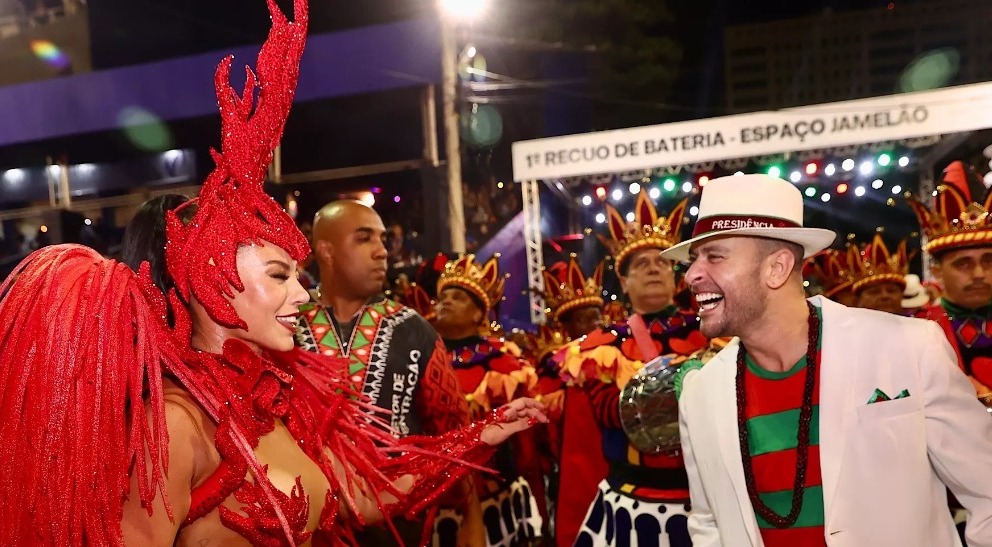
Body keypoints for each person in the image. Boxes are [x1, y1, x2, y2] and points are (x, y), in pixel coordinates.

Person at [0, 2, 548, 544]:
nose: (303, 292)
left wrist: (478, 436)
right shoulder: (174, 424)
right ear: (215, 282)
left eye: (299, 274)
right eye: (280, 274)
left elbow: (361, 494)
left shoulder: (280, 399)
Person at [667, 173, 992, 547]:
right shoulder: (700, 392)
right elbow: (708, 522)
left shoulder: (910, 348)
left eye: (714, 256)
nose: (691, 275)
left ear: (777, 267)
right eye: (693, 260)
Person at [296, 199, 477, 545]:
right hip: (306, 526)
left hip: (401, 528)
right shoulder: (285, 326)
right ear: (326, 251)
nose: (382, 252)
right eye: (364, 239)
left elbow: (454, 428)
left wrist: (472, 516)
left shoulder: (415, 330)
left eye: (382, 240)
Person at [555, 191, 707, 547]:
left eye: (662, 262)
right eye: (640, 264)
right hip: (632, 504)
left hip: (704, 500)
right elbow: (585, 447)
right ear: (623, 282)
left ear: (676, 276)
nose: (653, 268)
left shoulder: (712, 333)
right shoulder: (598, 349)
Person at [432, 253, 544, 546]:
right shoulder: (421, 355)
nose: (446, 301)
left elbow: (527, 435)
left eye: (458, 297)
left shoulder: (505, 360)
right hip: (438, 492)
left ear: (478, 314)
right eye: (444, 296)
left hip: (496, 490)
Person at [909, 160, 992, 406]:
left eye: (988, 261)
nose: (979, 273)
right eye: (963, 264)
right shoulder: (917, 331)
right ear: (937, 271)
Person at [850, 234, 911, 315]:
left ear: (902, 295)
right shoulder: (840, 327)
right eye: (874, 292)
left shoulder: (924, 327)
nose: (885, 296)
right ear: (857, 301)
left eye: (892, 291)